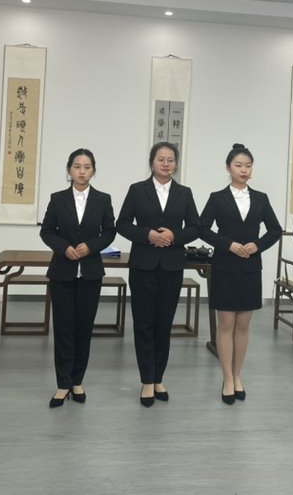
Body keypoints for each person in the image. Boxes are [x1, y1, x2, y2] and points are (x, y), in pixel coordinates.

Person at [116, 141, 200, 407]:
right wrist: (148, 235)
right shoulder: (137, 190)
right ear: (152, 162)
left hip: (172, 266)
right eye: (161, 159)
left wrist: (174, 235)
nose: (166, 164)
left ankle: (158, 377)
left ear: (176, 164)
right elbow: (122, 224)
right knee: (143, 323)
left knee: (164, 324)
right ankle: (146, 380)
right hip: (143, 265)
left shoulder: (184, 193)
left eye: (171, 159)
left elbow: (195, 226)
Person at [200, 143, 282, 404]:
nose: (244, 170)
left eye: (248, 166)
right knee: (226, 324)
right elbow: (202, 229)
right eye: (238, 165)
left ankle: (237, 375)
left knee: (243, 325)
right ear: (228, 168)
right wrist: (228, 244)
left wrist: (257, 245)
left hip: (250, 267)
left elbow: (275, 230)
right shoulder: (217, 198)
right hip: (225, 265)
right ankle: (226, 378)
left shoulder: (261, 198)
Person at [40, 148, 116, 408]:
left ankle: (77, 381)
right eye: (77, 166)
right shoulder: (57, 199)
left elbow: (109, 232)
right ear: (69, 170)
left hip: (91, 273)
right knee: (63, 328)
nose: (82, 171)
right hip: (62, 271)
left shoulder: (103, 200)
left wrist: (91, 247)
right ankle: (62, 384)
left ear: (93, 170)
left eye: (87, 167)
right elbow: (47, 231)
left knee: (84, 328)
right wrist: (64, 248)